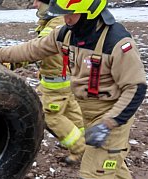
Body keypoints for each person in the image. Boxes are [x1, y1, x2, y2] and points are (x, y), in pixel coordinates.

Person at [0, 0, 147, 179]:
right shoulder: (67, 34)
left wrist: (108, 123)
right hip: (89, 113)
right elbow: (31, 49)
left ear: (90, 12)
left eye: (71, 13)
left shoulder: (117, 43)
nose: (66, 18)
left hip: (112, 117)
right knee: (112, 164)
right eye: (64, 13)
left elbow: (135, 88)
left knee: (94, 178)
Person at [32, 0, 87, 165]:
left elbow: (37, 49)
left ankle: (79, 149)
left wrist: (9, 61)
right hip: (65, 79)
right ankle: (86, 140)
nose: (34, 5)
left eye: (37, 1)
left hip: (57, 84)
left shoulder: (56, 24)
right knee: (72, 113)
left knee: (50, 116)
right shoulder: (57, 20)